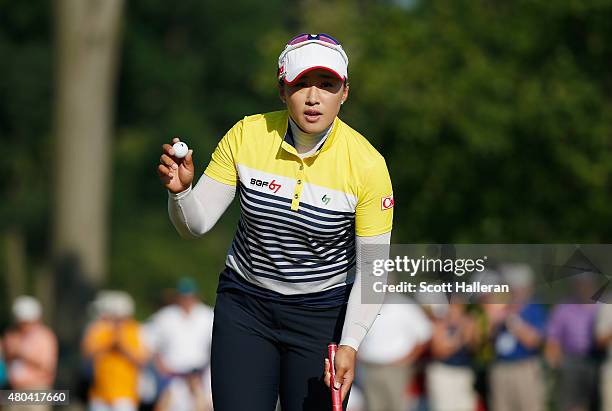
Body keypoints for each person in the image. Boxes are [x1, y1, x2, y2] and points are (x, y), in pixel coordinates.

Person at [157, 33, 393, 411]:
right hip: (246, 304)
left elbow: (374, 270)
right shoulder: (247, 135)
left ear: (345, 92)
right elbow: (195, 225)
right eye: (301, 84)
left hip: (322, 314)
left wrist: (350, 343)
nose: (314, 98)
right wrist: (180, 193)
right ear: (283, 90)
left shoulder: (367, 165)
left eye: (328, 85)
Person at [144, 278, 214, 411]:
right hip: (172, 379)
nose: (187, 301)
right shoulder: (165, 316)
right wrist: (159, 365)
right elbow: (148, 342)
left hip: (199, 378)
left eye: (190, 297)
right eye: (184, 297)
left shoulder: (208, 315)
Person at [487, 264, 547, 411]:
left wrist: (513, 321)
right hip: (500, 368)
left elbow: (533, 341)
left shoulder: (534, 308)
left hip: (524, 368)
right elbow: (487, 338)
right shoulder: (500, 307)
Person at [357, 295, 431, 411]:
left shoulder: (405, 305)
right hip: (369, 367)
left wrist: (408, 359)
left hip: (396, 369)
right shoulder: (362, 305)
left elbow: (425, 334)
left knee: (397, 406)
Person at [82, 291, 148, 411]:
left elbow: (142, 360)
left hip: (125, 395)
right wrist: (109, 344)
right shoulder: (98, 329)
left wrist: (122, 346)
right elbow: (87, 353)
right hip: (99, 394)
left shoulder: (135, 330)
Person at [2, 296, 58, 411]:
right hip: (15, 390)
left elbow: (47, 366)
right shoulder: (11, 334)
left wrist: (22, 354)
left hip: (36, 390)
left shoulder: (44, 336)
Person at [427, 303, 478, 411]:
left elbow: (474, 349)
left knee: (465, 406)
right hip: (444, 372)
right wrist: (459, 336)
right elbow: (439, 352)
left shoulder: (468, 322)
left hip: (463, 371)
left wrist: (471, 333)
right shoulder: (440, 323)